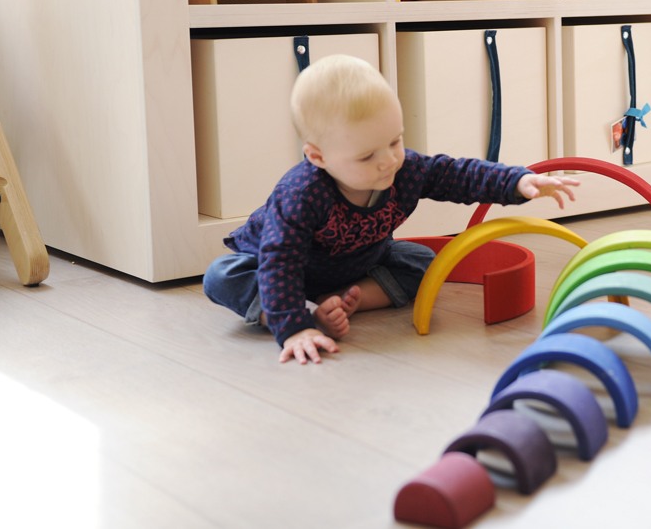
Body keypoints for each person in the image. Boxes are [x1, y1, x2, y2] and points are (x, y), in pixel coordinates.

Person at [203, 54, 579, 363]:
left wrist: (515, 182)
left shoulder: (405, 168)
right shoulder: (301, 193)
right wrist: (293, 326)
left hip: (356, 265)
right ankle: (300, 312)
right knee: (221, 275)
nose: (388, 162)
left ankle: (345, 302)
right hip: (279, 268)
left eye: (395, 141)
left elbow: (454, 174)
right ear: (318, 156)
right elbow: (279, 258)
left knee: (424, 259)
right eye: (367, 155)